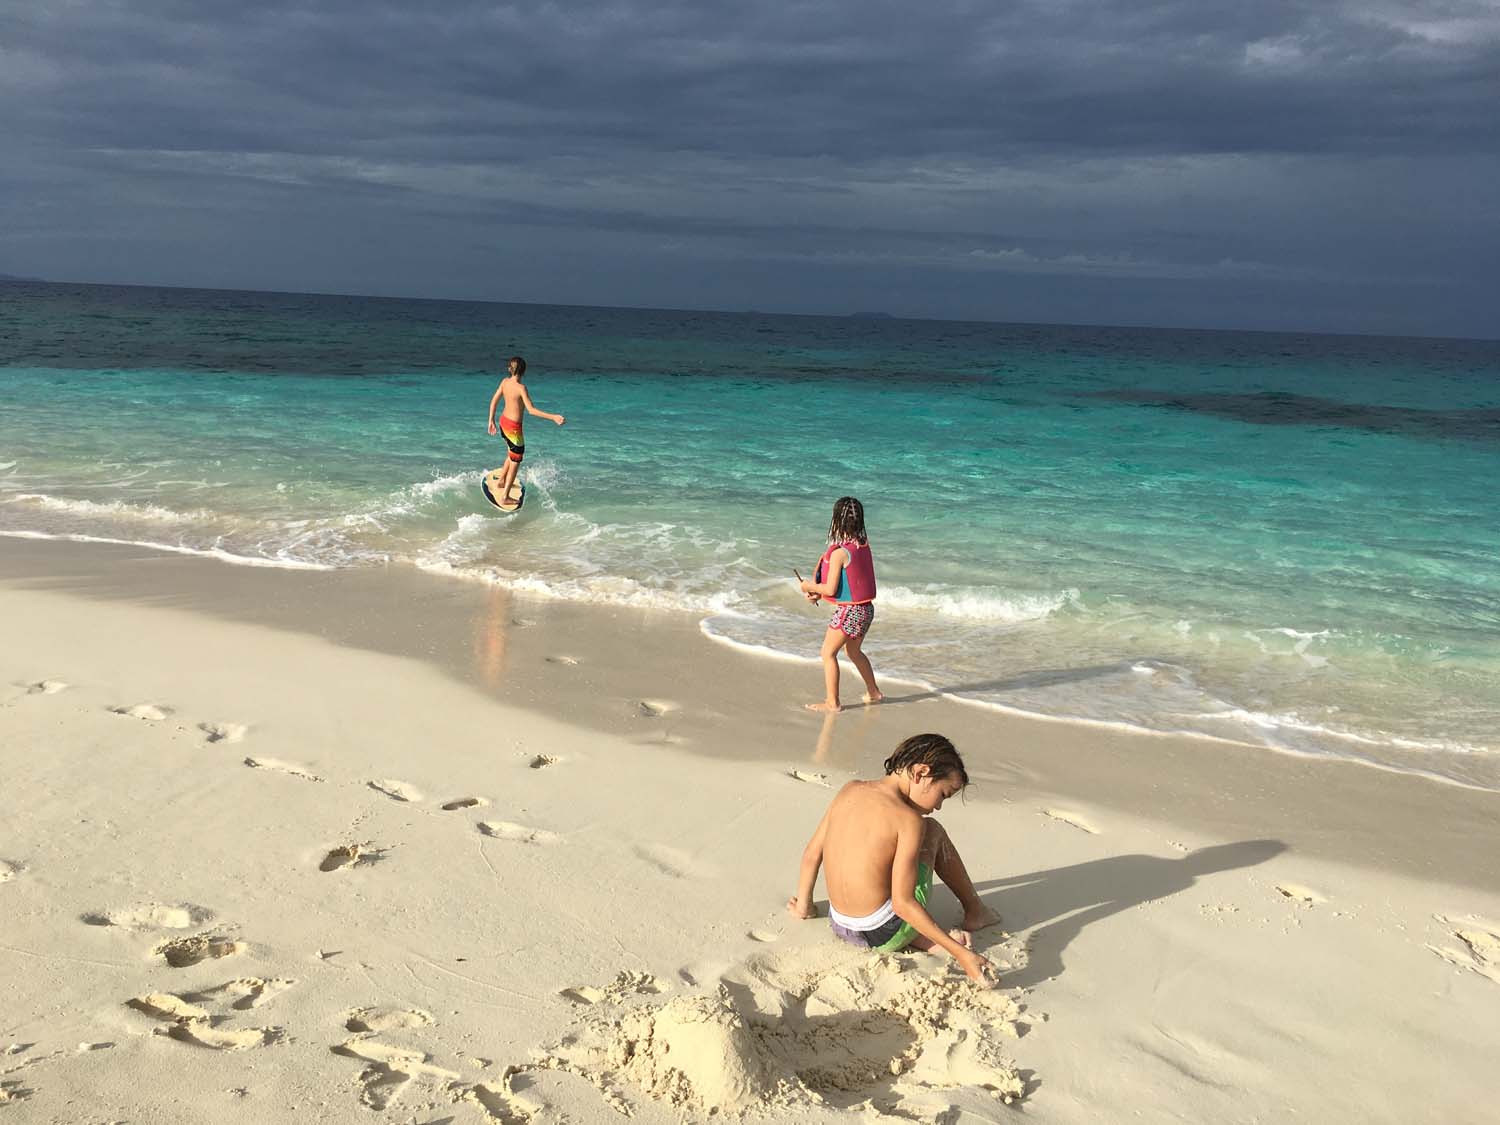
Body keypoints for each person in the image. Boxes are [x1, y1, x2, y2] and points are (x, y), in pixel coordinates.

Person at [787, 733, 998, 983]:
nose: (938, 806)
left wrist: (804, 906)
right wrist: (961, 955)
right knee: (933, 831)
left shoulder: (850, 789)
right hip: (883, 933)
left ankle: (920, 938)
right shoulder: (909, 821)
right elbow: (902, 904)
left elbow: (812, 854)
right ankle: (975, 911)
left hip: (841, 925)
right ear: (921, 773)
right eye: (943, 794)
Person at [798, 496, 882, 712]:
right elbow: (849, 583)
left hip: (850, 611)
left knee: (827, 653)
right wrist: (818, 594)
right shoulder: (862, 546)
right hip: (866, 609)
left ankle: (832, 702)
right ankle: (873, 691)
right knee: (854, 652)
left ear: (836, 521)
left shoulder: (839, 554)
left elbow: (830, 589)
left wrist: (809, 586)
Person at [486, 356, 565, 508]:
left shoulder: (504, 382)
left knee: (511, 452)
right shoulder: (521, 388)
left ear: (510, 369)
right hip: (514, 429)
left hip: (503, 423)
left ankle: (501, 481)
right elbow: (531, 410)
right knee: (516, 460)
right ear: (524, 371)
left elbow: (494, 400)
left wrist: (491, 420)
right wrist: (553, 417)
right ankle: (505, 496)